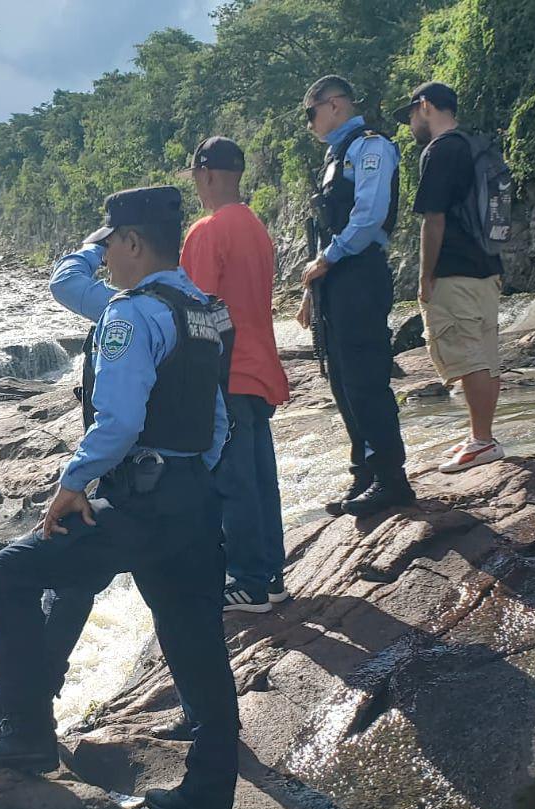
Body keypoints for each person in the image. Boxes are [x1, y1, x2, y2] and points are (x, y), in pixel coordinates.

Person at [0, 187, 239, 809]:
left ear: (133, 242)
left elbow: (121, 418)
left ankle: (23, 730)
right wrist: (193, 474)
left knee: (6, 574)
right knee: (196, 643)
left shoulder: (132, 315)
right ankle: (209, 796)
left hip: (139, 502)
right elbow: (219, 419)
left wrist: (73, 481)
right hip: (193, 498)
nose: (106, 259)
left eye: (110, 245)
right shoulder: (206, 311)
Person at [179, 136, 291, 614]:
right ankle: (271, 577)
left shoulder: (207, 230)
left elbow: (194, 309)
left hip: (226, 372)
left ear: (204, 176)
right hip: (260, 367)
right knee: (261, 477)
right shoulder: (255, 226)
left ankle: (247, 580)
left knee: (233, 482)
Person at [298, 75, 415, 517]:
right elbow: (325, 227)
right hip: (334, 279)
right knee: (342, 380)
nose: (309, 124)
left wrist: (327, 259)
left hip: (359, 272)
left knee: (365, 378)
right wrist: (314, 286)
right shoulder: (335, 156)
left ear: (334, 105)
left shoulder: (371, 147)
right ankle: (364, 473)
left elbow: (369, 216)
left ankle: (391, 477)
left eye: (310, 113)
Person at [395, 81, 506, 473]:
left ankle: (482, 441)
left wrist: (425, 278)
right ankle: (482, 435)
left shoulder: (440, 151)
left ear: (425, 106)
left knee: (467, 353)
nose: (410, 124)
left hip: (455, 269)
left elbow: (434, 218)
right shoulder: (473, 146)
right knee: (486, 354)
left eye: (410, 114)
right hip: (487, 266)